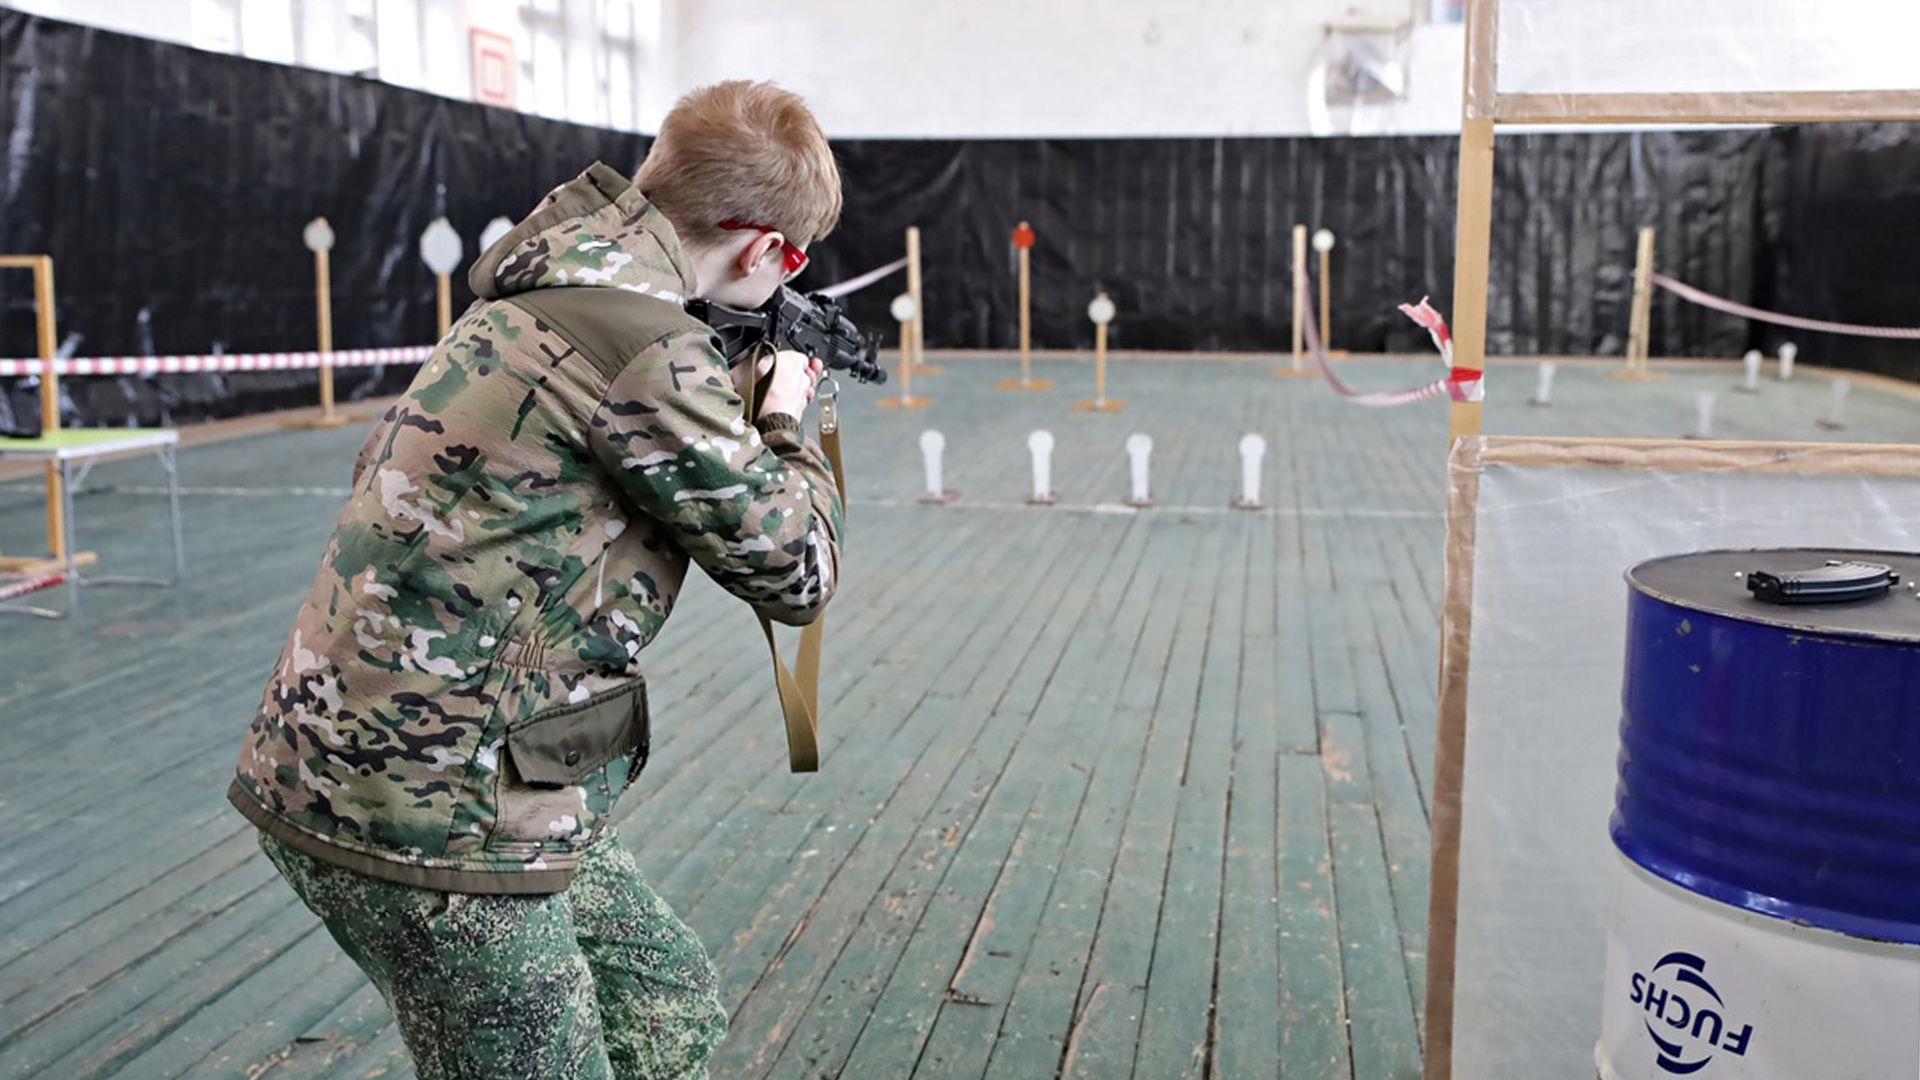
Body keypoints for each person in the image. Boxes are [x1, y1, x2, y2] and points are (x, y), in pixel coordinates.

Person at [227, 80, 845, 1080]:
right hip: (433, 816)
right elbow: (798, 571)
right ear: (764, 250)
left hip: (401, 765)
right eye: (791, 263)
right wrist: (785, 416)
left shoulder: (549, 286)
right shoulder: (647, 348)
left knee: (665, 1008)